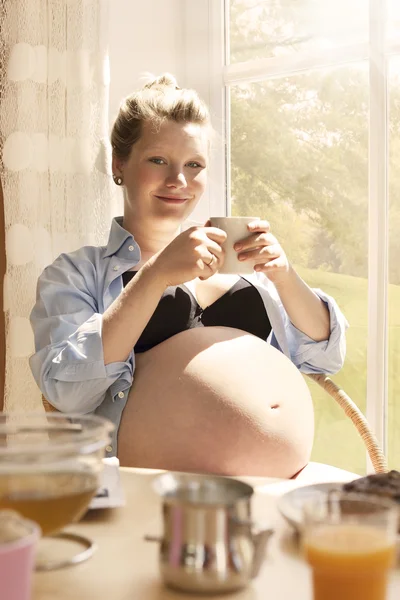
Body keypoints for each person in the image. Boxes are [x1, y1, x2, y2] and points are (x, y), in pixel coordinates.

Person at [29, 74, 348, 478]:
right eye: (158, 160)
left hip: (278, 485)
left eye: (194, 165)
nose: (178, 181)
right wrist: (157, 272)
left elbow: (325, 356)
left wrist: (284, 276)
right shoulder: (74, 274)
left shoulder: (240, 266)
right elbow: (67, 391)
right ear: (119, 164)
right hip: (148, 493)